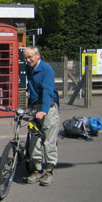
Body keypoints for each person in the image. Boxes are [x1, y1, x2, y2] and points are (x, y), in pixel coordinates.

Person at [24, 46, 59, 187]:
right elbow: (31, 89)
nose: (28, 60)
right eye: (25, 57)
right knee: (34, 141)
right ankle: (38, 170)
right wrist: (30, 106)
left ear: (38, 55)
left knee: (48, 142)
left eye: (30, 56)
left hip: (48, 107)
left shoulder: (46, 69)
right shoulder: (28, 68)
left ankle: (49, 172)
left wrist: (43, 110)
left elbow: (47, 91)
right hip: (35, 107)